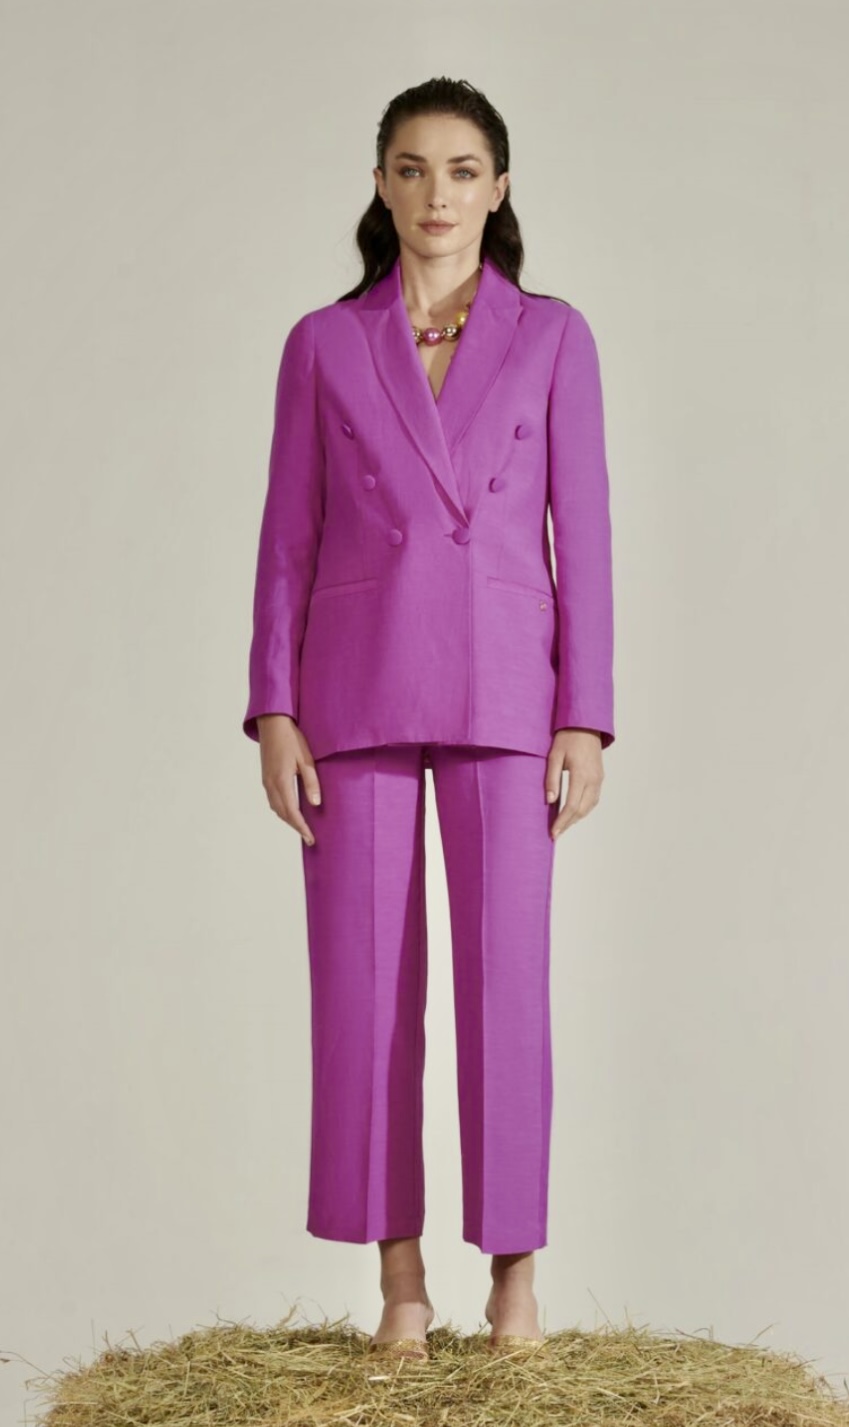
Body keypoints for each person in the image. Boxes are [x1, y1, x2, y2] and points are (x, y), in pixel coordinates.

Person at [242, 76, 615, 1361]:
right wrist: (273, 704)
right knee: (362, 990)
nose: (437, 194)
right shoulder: (324, 342)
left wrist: (587, 712)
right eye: (411, 169)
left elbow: (586, 537)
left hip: (511, 694)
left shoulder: (554, 336)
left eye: (462, 171)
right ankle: (399, 1277)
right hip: (352, 691)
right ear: (381, 185)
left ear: (498, 189)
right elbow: (287, 539)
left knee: (508, 987)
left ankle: (514, 1276)